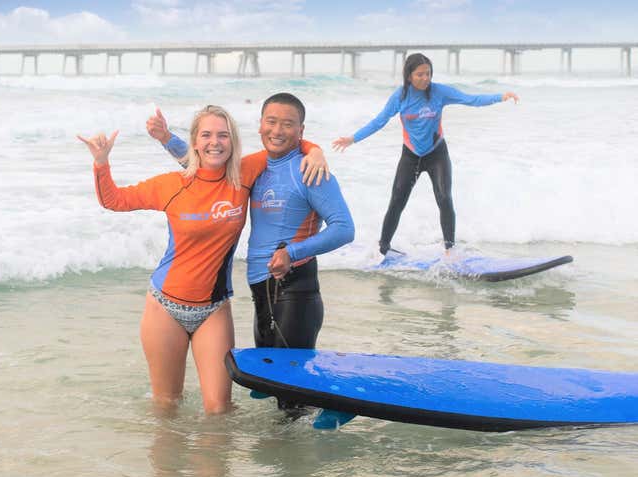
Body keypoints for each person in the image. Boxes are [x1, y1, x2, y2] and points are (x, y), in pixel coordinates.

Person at [148, 93, 355, 413]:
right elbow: (202, 163)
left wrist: (292, 252)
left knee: (292, 397)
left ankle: (323, 423)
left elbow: (344, 228)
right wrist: (165, 138)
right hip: (262, 290)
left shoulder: (309, 170)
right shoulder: (251, 169)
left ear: (301, 130)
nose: (278, 130)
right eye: (271, 122)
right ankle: (288, 441)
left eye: (288, 124)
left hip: (295, 287)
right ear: (260, 125)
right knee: (275, 389)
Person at [78, 105, 270, 415]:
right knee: (167, 407)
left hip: (214, 309)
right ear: (195, 142)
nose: (215, 142)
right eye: (206, 135)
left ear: (233, 141)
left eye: (223, 135)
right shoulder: (172, 185)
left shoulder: (244, 175)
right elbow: (114, 200)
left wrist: (314, 153)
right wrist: (101, 162)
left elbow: (286, 144)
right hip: (164, 308)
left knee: (219, 410)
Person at [332, 53, 519, 256]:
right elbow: (379, 121)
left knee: (444, 198)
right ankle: (383, 248)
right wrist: (353, 139)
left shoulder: (439, 92)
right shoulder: (400, 96)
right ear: (409, 76)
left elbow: (471, 99)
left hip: (437, 154)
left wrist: (500, 97)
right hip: (411, 156)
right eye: (420, 74)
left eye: (428, 73)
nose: (425, 78)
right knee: (397, 201)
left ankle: (450, 250)